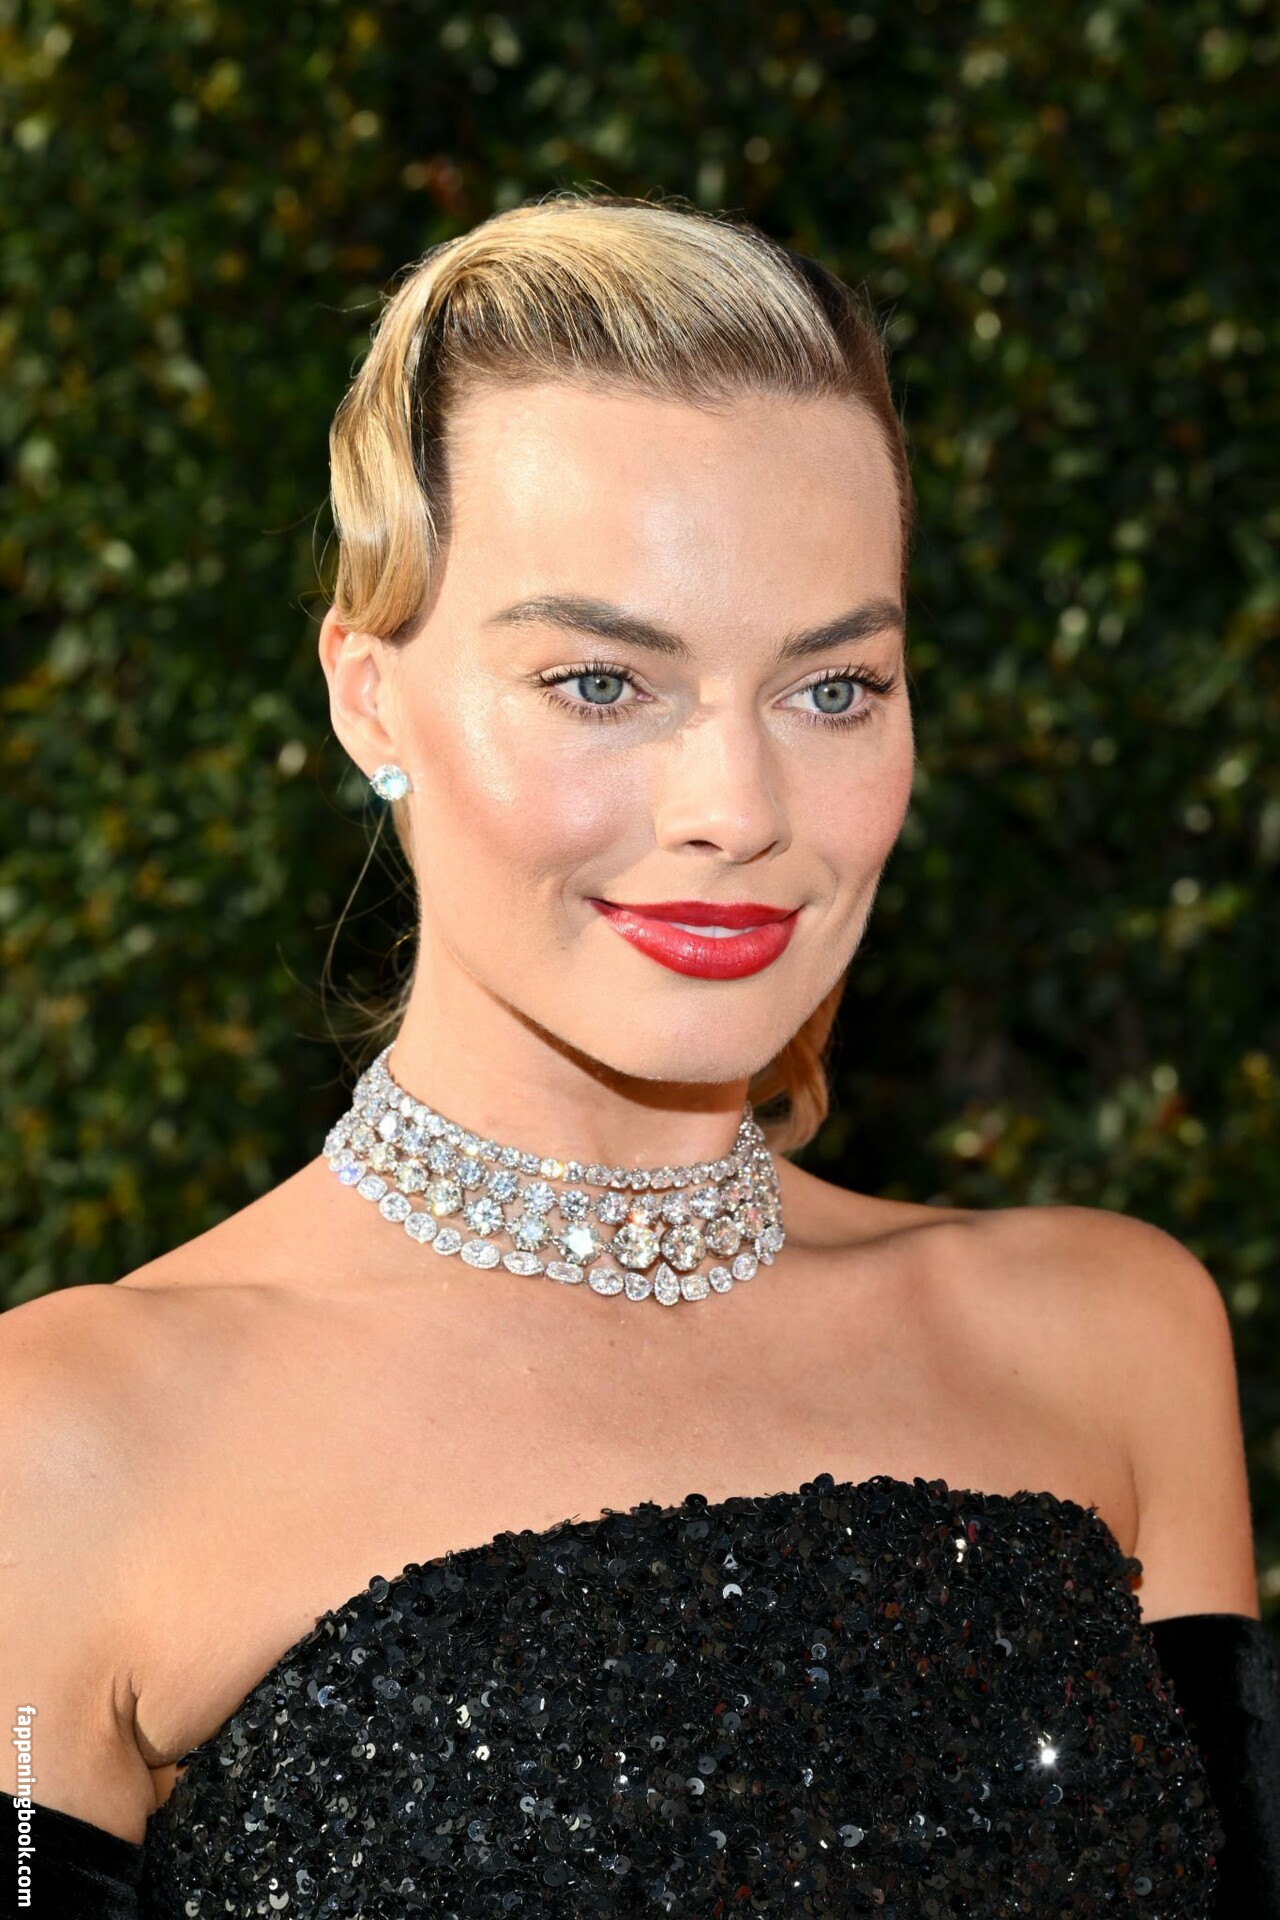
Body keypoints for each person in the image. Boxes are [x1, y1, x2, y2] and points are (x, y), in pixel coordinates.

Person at [2, 190, 1276, 1918]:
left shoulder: (1114, 1345)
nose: (737, 811)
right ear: (370, 698)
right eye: (602, 683)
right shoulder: (62, 1448)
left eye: (833, 689)